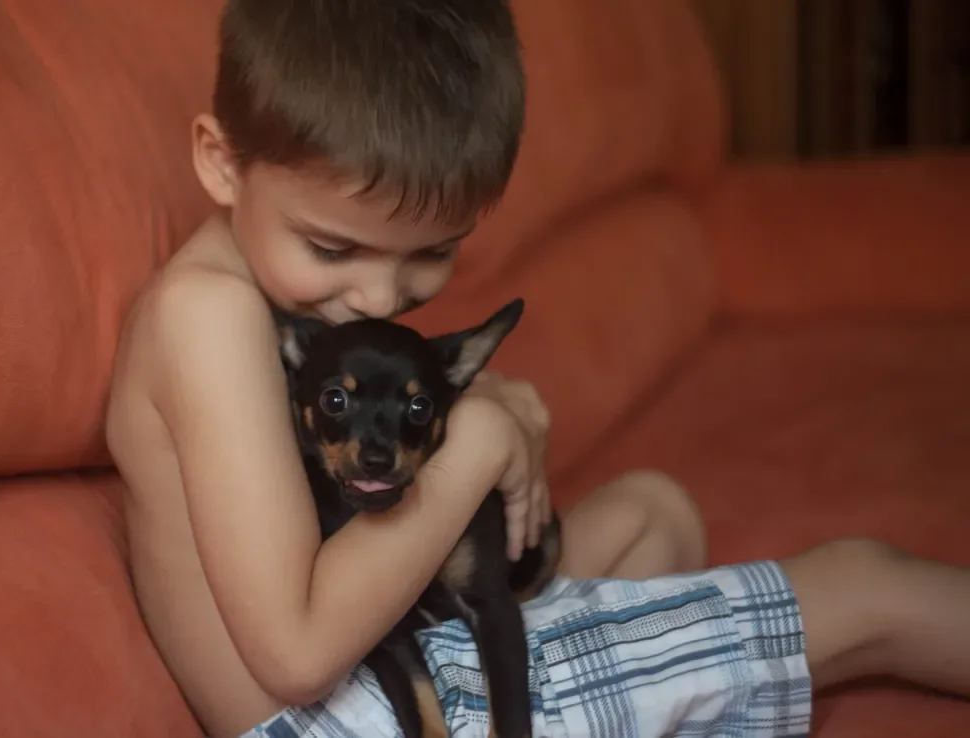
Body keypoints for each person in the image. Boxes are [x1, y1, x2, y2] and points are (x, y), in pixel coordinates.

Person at [105, 2, 970, 736]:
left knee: (652, 510)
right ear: (221, 163)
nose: (378, 297)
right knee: (866, 587)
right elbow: (293, 654)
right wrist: (475, 440)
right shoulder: (207, 317)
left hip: (410, 650)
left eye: (432, 254)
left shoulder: (291, 308)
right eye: (332, 246)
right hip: (354, 714)